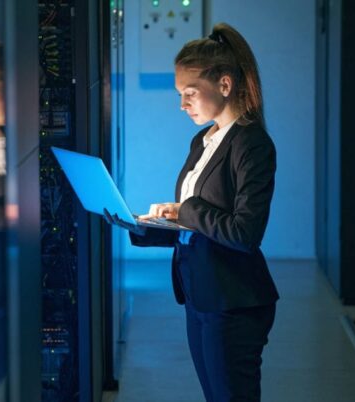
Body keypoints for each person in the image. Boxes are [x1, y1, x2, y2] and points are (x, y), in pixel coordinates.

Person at [104, 22, 279, 402]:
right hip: (200, 291)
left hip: (234, 300)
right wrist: (142, 225)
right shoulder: (203, 139)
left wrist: (187, 209)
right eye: (179, 94)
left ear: (225, 85)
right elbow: (197, 226)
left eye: (190, 93)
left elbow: (245, 233)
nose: (182, 105)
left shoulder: (252, 144)